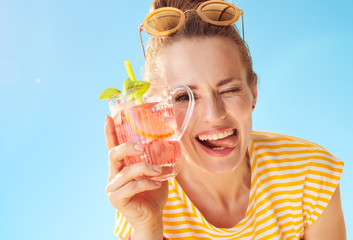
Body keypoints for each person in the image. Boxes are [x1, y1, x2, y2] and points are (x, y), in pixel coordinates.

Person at [104, 0, 346, 239]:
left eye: (229, 90)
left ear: (253, 92)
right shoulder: (143, 196)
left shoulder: (309, 174)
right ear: (155, 110)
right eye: (183, 97)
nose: (213, 115)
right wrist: (148, 227)